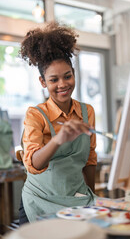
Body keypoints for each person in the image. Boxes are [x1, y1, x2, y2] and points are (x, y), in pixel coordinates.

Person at [19, 22, 97, 224]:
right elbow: (33, 164)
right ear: (43, 82)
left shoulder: (86, 112)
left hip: (76, 201)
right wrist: (59, 139)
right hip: (40, 202)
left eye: (68, 76)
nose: (62, 84)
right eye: (54, 80)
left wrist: (92, 199)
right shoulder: (35, 115)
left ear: (74, 73)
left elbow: (89, 159)